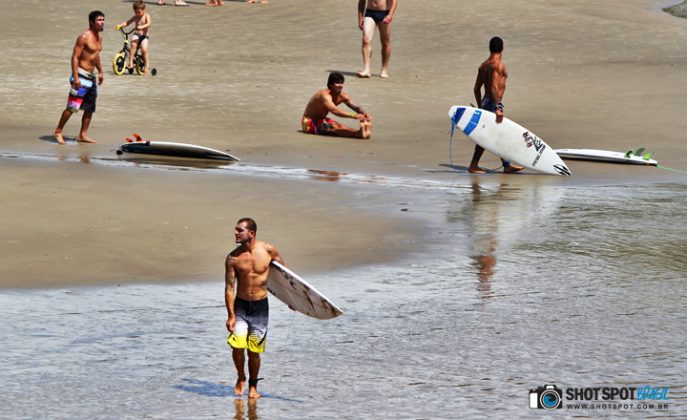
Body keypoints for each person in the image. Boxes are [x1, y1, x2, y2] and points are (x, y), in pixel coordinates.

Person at [225, 217, 284, 399]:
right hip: (241, 306)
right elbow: (229, 288)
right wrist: (231, 315)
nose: (235, 233)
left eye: (239, 230)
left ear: (251, 233)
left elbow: (285, 276)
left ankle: (253, 386)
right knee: (237, 346)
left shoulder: (268, 250)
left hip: (260, 307)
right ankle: (241, 376)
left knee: (254, 351)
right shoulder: (233, 258)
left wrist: (293, 301)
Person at [469, 36, 524, 174]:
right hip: (493, 103)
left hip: (486, 102)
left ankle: (506, 165)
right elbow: (494, 87)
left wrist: (480, 105)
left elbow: (476, 88)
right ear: (502, 48)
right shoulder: (497, 66)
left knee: (496, 134)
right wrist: (498, 107)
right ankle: (474, 165)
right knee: (489, 135)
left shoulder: (483, 65)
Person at [53, 10, 105, 145]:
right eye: (99, 20)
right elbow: (75, 57)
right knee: (72, 107)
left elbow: (96, 56)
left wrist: (100, 71)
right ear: (92, 22)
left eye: (103, 20)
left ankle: (83, 135)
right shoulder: (84, 37)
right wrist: (75, 77)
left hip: (91, 77)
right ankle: (58, 131)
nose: (102, 22)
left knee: (90, 108)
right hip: (81, 76)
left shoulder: (100, 38)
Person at [302, 72, 372, 139]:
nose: (340, 85)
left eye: (341, 83)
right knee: (331, 127)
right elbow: (334, 110)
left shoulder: (343, 96)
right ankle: (357, 134)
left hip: (322, 119)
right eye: (337, 83)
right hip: (308, 122)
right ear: (331, 85)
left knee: (340, 126)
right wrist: (353, 115)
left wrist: (365, 114)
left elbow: (356, 108)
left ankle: (359, 133)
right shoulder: (324, 95)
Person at [357, 0, 397, 78]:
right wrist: (360, 17)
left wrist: (390, 15)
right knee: (366, 39)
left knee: (385, 42)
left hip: (384, 13)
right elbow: (361, 2)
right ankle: (366, 69)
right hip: (369, 13)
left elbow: (394, 1)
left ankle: (384, 69)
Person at [114, 1, 152, 75]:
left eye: (139, 12)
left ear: (144, 10)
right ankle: (130, 62)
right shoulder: (136, 17)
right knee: (133, 43)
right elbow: (127, 23)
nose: (137, 14)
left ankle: (146, 65)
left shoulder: (146, 15)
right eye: (135, 12)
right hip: (137, 34)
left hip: (144, 36)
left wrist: (142, 26)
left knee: (144, 50)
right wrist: (120, 25)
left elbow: (149, 24)